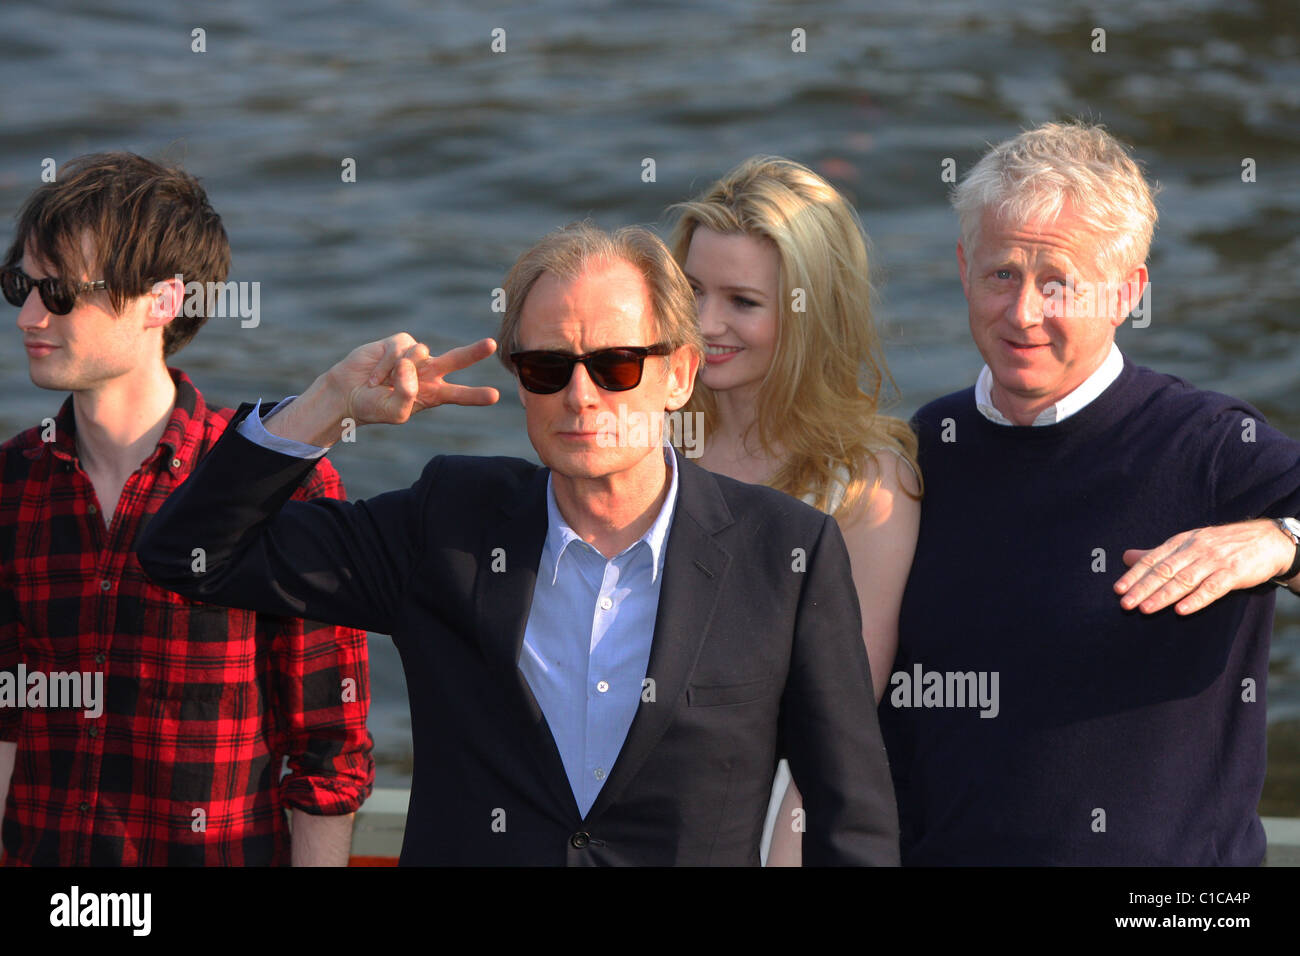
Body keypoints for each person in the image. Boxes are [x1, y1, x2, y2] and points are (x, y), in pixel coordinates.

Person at [137, 222, 901, 865]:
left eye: (616, 364)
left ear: (681, 374)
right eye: (547, 367)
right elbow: (193, 554)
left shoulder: (786, 553)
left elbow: (849, 818)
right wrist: (327, 405)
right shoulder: (446, 525)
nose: (580, 393)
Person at [879, 121, 1300, 865]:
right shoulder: (923, 446)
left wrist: (1277, 541)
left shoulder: (1207, 445)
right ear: (961, 267)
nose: (1023, 313)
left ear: (1128, 293)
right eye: (1001, 273)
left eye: (1058, 283)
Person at [0, 153, 373, 866]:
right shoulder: (11, 484)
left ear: (162, 303)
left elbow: (327, 750)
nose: (27, 315)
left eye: (58, 290)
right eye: (19, 284)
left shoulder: (282, 485)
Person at [667, 156, 921, 866]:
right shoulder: (642, 436)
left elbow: (830, 738)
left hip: (758, 814)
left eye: (743, 302)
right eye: (690, 291)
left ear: (813, 311)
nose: (704, 322)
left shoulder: (867, 483)